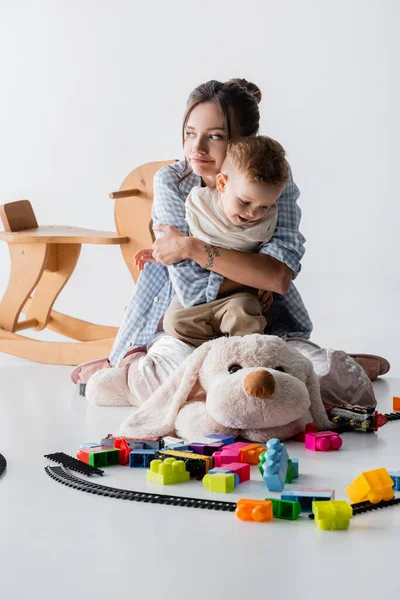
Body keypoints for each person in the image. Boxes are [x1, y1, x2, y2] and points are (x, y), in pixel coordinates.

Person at [73, 78, 389, 407]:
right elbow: (191, 289)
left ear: (242, 143)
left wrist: (191, 247)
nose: (197, 149)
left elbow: (279, 276)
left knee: (305, 382)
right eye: (190, 134)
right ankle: (131, 364)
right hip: (186, 320)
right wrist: (253, 277)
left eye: (215, 137)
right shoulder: (172, 181)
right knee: (170, 384)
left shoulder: (270, 180)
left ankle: (327, 365)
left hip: (255, 320)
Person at [136, 135, 289, 347]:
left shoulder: (267, 220)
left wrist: (264, 284)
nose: (253, 213)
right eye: (245, 202)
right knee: (175, 322)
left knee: (243, 314)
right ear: (223, 183)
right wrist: (159, 252)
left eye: (263, 207)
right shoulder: (200, 204)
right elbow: (181, 241)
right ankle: (214, 353)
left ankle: (247, 357)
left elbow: (267, 259)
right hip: (196, 298)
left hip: (238, 295)